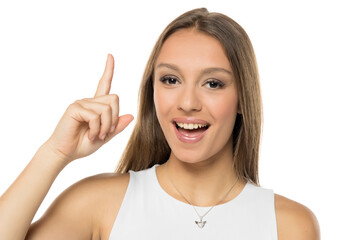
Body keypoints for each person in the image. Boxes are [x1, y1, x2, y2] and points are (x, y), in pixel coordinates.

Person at [0, 8, 320, 240]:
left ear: (242, 99)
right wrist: (55, 153)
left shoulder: (290, 226)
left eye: (213, 84)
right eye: (170, 79)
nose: (188, 102)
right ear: (152, 91)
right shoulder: (98, 203)